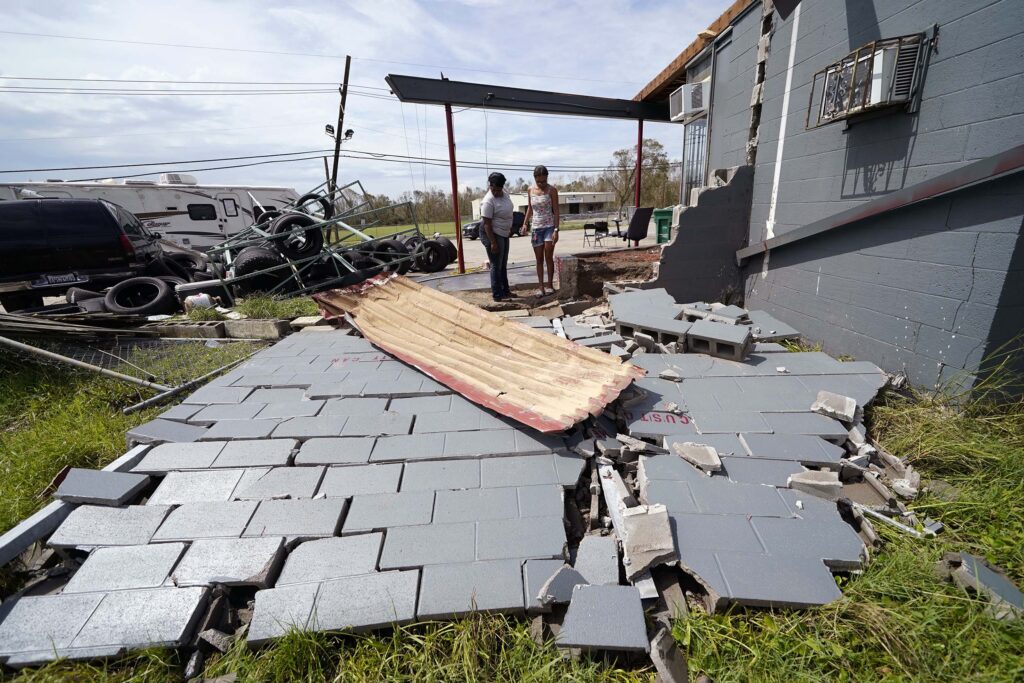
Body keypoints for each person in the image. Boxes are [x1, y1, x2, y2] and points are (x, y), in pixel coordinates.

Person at [522, 165, 559, 295]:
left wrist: (556, 229)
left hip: (549, 227)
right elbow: (530, 209)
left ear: (547, 178)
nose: (541, 184)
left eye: (544, 181)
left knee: (548, 256)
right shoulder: (530, 190)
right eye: (539, 181)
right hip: (536, 228)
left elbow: (556, 210)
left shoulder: (552, 190)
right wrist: (525, 223)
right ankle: (541, 287)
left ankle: (549, 285)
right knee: (539, 259)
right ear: (535, 179)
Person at [479, 172, 514, 301]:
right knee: (496, 265)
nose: (496, 192)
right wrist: (493, 242)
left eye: (499, 189)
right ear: (490, 186)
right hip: (492, 233)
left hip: (504, 232)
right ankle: (497, 294)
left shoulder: (505, 193)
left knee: (503, 264)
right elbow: (487, 225)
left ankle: (505, 291)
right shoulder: (488, 201)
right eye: (494, 189)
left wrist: (508, 228)